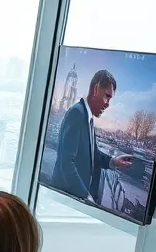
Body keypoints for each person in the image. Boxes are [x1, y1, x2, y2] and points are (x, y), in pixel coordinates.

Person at [51, 69, 133, 203]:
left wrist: (113, 161)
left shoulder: (87, 117)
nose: (108, 104)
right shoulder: (77, 114)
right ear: (95, 89)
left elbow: (93, 153)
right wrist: (85, 195)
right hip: (66, 199)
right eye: (107, 96)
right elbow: (66, 163)